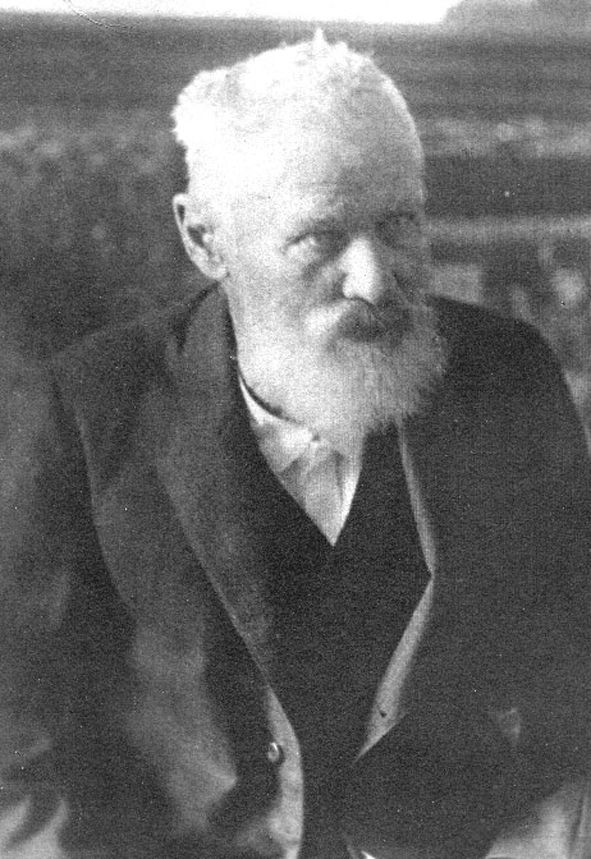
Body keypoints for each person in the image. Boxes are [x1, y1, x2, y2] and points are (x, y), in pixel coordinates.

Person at [1, 31, 591, 859]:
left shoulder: (504, 373)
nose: (376, 280)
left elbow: (574, 670)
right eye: (320, 237)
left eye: (398, 223)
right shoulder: (87, 410)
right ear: (204, 239)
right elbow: (14, 750)